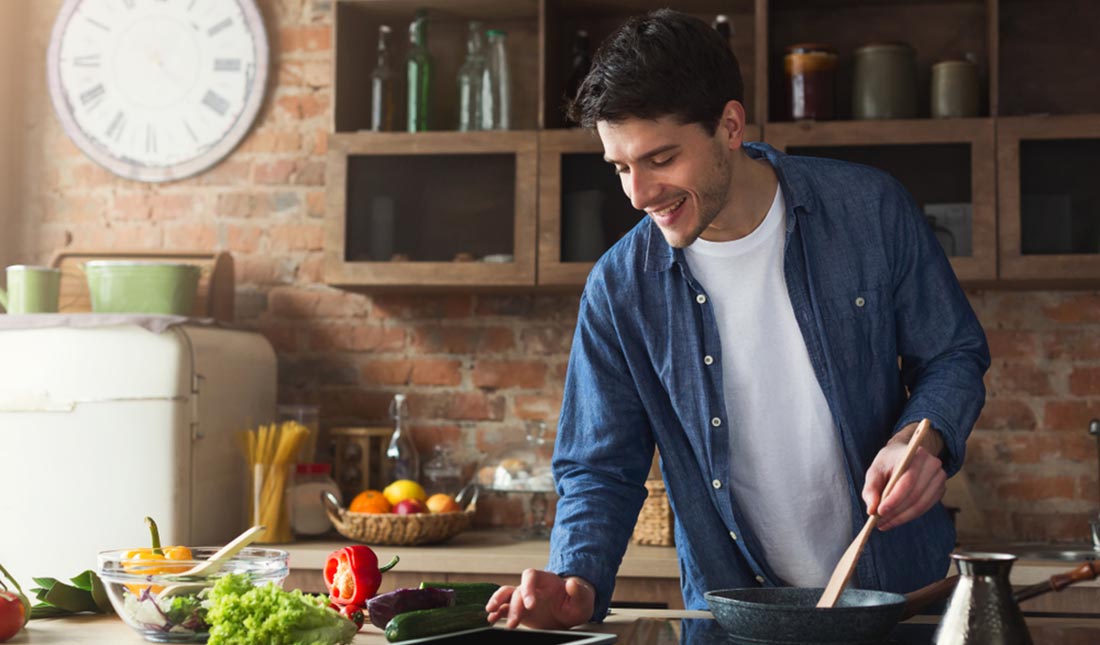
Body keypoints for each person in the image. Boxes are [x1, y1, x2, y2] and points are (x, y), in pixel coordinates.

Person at [486, 8, 990, 630]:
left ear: (729, 126)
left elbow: (953, 354)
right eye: (620, 167)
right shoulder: (618, 288)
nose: (639, 195)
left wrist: (920, 438)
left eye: (661, 158)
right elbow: (598, 466)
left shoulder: (869, 211)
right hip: (733, 619)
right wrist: (577, 581)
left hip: (900, 608)